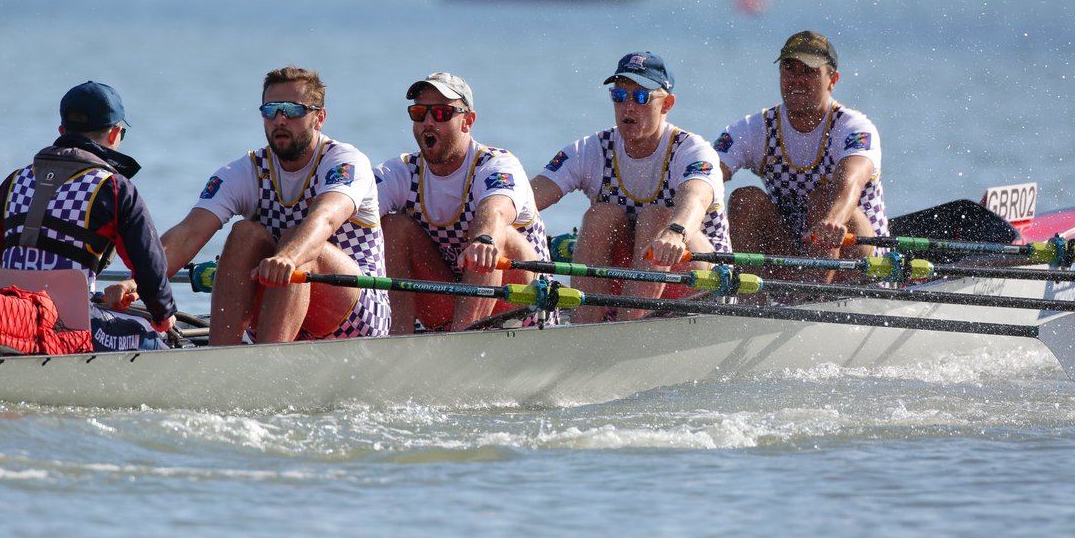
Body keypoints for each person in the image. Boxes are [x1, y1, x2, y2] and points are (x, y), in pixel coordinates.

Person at [110, 66, 389, 345]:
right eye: (271, 110)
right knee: (244, 233)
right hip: (279, 306)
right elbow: (188, 234)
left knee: (299, 243)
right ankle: (222, 355)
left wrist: (289, 257)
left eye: (292, 110)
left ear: (319, 118)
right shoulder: (247, 170)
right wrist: (139, 282)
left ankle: (268, 359)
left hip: (356, 317)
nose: (280, 120)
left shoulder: (345, 162)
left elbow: (325, 218)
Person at [0, 81, 177, 351]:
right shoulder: (113, 188)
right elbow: (150, 272)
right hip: (71, 329)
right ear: (115, 134)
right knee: (151, 336)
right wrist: (163, 316)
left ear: (62, 132)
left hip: (10, 322)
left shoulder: (14, 181)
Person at [531, 52, 730, 324]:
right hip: (630, 278)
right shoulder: (592, 149)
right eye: (619, 96)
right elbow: (526, 199)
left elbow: (697, 196)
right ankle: (584, 328)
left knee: (656, 217)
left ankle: (629, 328)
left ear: (667, 104)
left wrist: (676, 232)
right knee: (601, 216)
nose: (628, 107)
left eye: (641, 97)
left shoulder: (692, 149)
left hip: (700, 282)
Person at [375, 72, 551, 334]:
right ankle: (396, 341)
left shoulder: (498, 164)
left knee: (496, 234)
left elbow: (496, 209)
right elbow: (352, 209)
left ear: (467, 121)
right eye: (420, 113)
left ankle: (462, 339)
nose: (428, 122)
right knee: (393, 226)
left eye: (442, 113)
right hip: (448, 304)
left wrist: (485, 240)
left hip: (521, 307)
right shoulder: (401, 171)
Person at [712, 31, 888, 277]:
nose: (796, 80)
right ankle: (751, 296)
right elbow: (705, 177)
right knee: (744, 199)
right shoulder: (755, 129)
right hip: (795, 253)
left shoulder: (854, 128)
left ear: (833, 80)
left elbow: (851, 181)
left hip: (861, 258)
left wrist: (834, 219)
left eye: (809, 72)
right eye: (789, 70)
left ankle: (817, 294)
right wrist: (679, 224)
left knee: (823, 198)